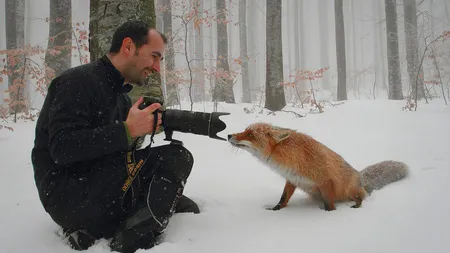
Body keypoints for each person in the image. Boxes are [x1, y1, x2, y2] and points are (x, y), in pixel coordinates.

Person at [31, 20, 200, 253]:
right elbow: (62, 149)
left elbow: (114, 154)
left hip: (96, 185)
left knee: (166, 170)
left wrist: (139, 130)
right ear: (128, 47)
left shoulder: (121, 97)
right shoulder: (75, 82)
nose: (157, 67)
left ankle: (111, 221)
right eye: (154, 56)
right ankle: (131, 239)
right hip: (68, 196)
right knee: (176, 157)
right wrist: (127, 130)